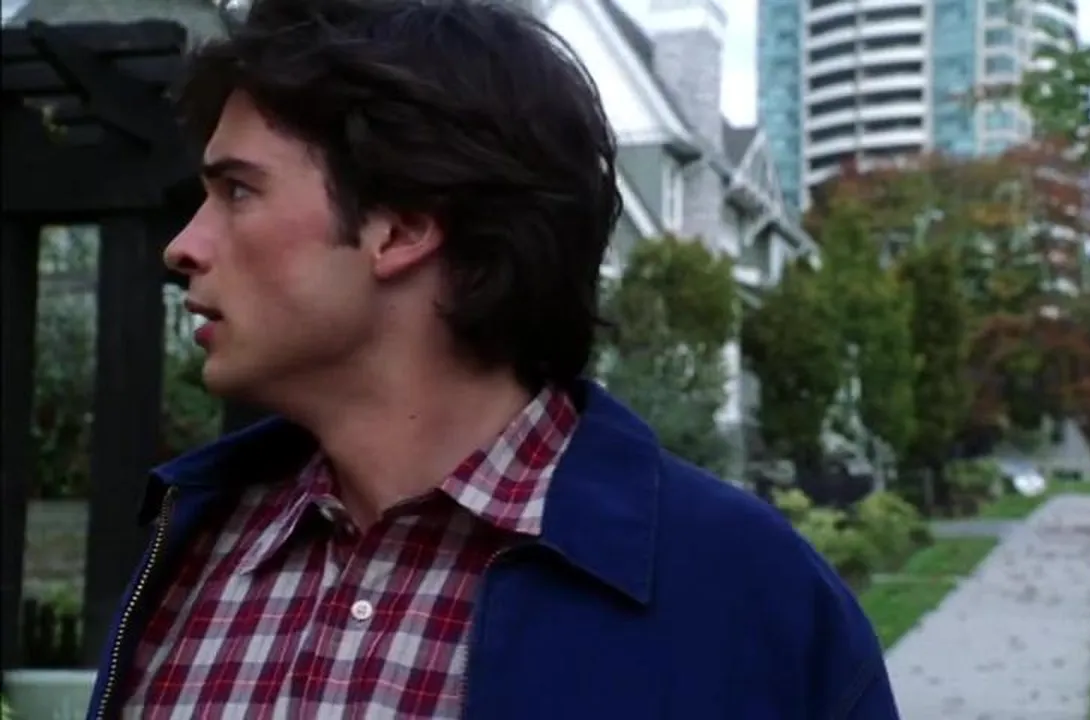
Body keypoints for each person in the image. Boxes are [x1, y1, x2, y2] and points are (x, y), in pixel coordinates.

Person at [85, 0, 900, 717]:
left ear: (404, 227)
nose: (183, 247)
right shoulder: (193, 553)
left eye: (238, 191)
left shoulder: (751, 601)